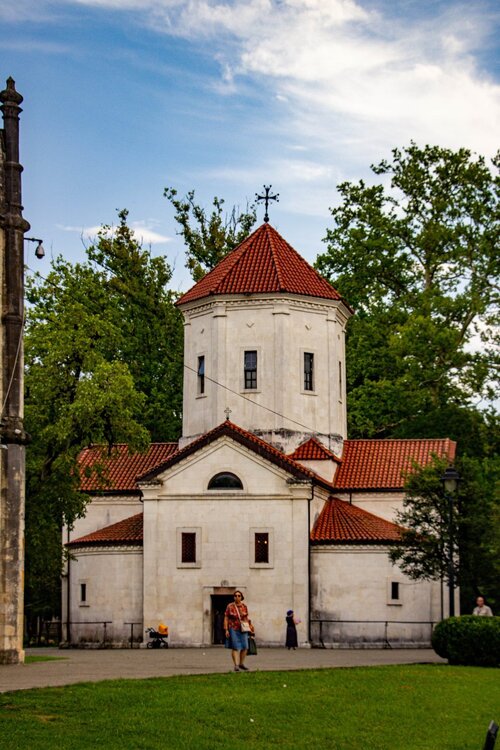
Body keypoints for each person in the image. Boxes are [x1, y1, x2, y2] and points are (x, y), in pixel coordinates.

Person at [224, 590, 252, 671]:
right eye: (235, 595)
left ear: (241, 597)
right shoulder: (230, 606)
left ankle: (241, 664)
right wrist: (226, 629)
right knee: (235, 647)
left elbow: (246, 618)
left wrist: (250, 627)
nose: (237, 597)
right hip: (233, 628)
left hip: (243, 628)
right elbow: (226, 617)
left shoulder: (244, 606)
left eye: (239, 595)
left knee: (245, 647)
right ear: (234, 597)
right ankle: (236, 665)